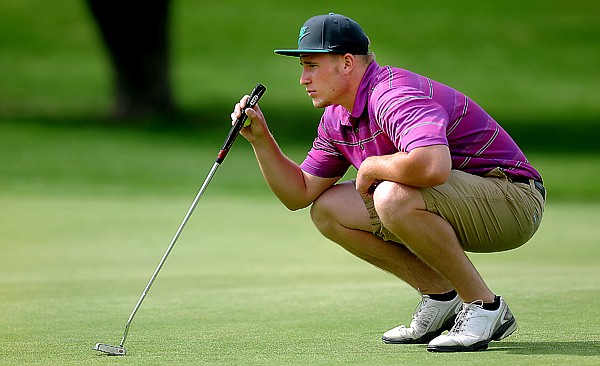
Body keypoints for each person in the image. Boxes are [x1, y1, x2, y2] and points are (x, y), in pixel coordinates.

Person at [231, 13, 545, 352]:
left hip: (514, 200)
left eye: (311, 65)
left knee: (392, 196)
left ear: (347, 62)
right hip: (468, 200)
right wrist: (261, 140)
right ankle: (440, 296)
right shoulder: (337, 118)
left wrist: (371, 165)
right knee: (327, 210)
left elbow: (433, 166)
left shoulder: (392, 94)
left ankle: (485, 306)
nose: (303, 78)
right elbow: (299, 193)